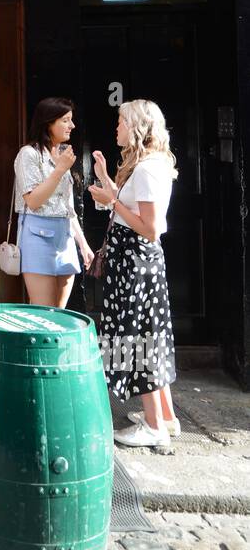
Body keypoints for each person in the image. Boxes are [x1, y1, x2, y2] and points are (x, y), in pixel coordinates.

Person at [89, 99, 179, 450]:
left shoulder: (147, 169)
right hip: (136, 260)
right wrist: (108, 184)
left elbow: (150, 228)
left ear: (138, 127)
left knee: (138, 336)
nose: (117, 127)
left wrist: (112, 200)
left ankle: (154, 426)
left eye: (122, 121)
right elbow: (132, 213)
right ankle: (166, 417)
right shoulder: (147, 165)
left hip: (136, 261)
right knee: (149, 334)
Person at [14, 97, 95, 308]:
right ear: (48, 122)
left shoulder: (61, 154)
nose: (72, 125)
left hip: (65, 236)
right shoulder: (29, 154)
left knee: (59, 314)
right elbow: (33, 200)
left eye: (72, 120)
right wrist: (60, 170)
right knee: (43, 313)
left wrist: (83, 243)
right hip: (37, 234)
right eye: (66, 120)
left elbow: (67, 208)